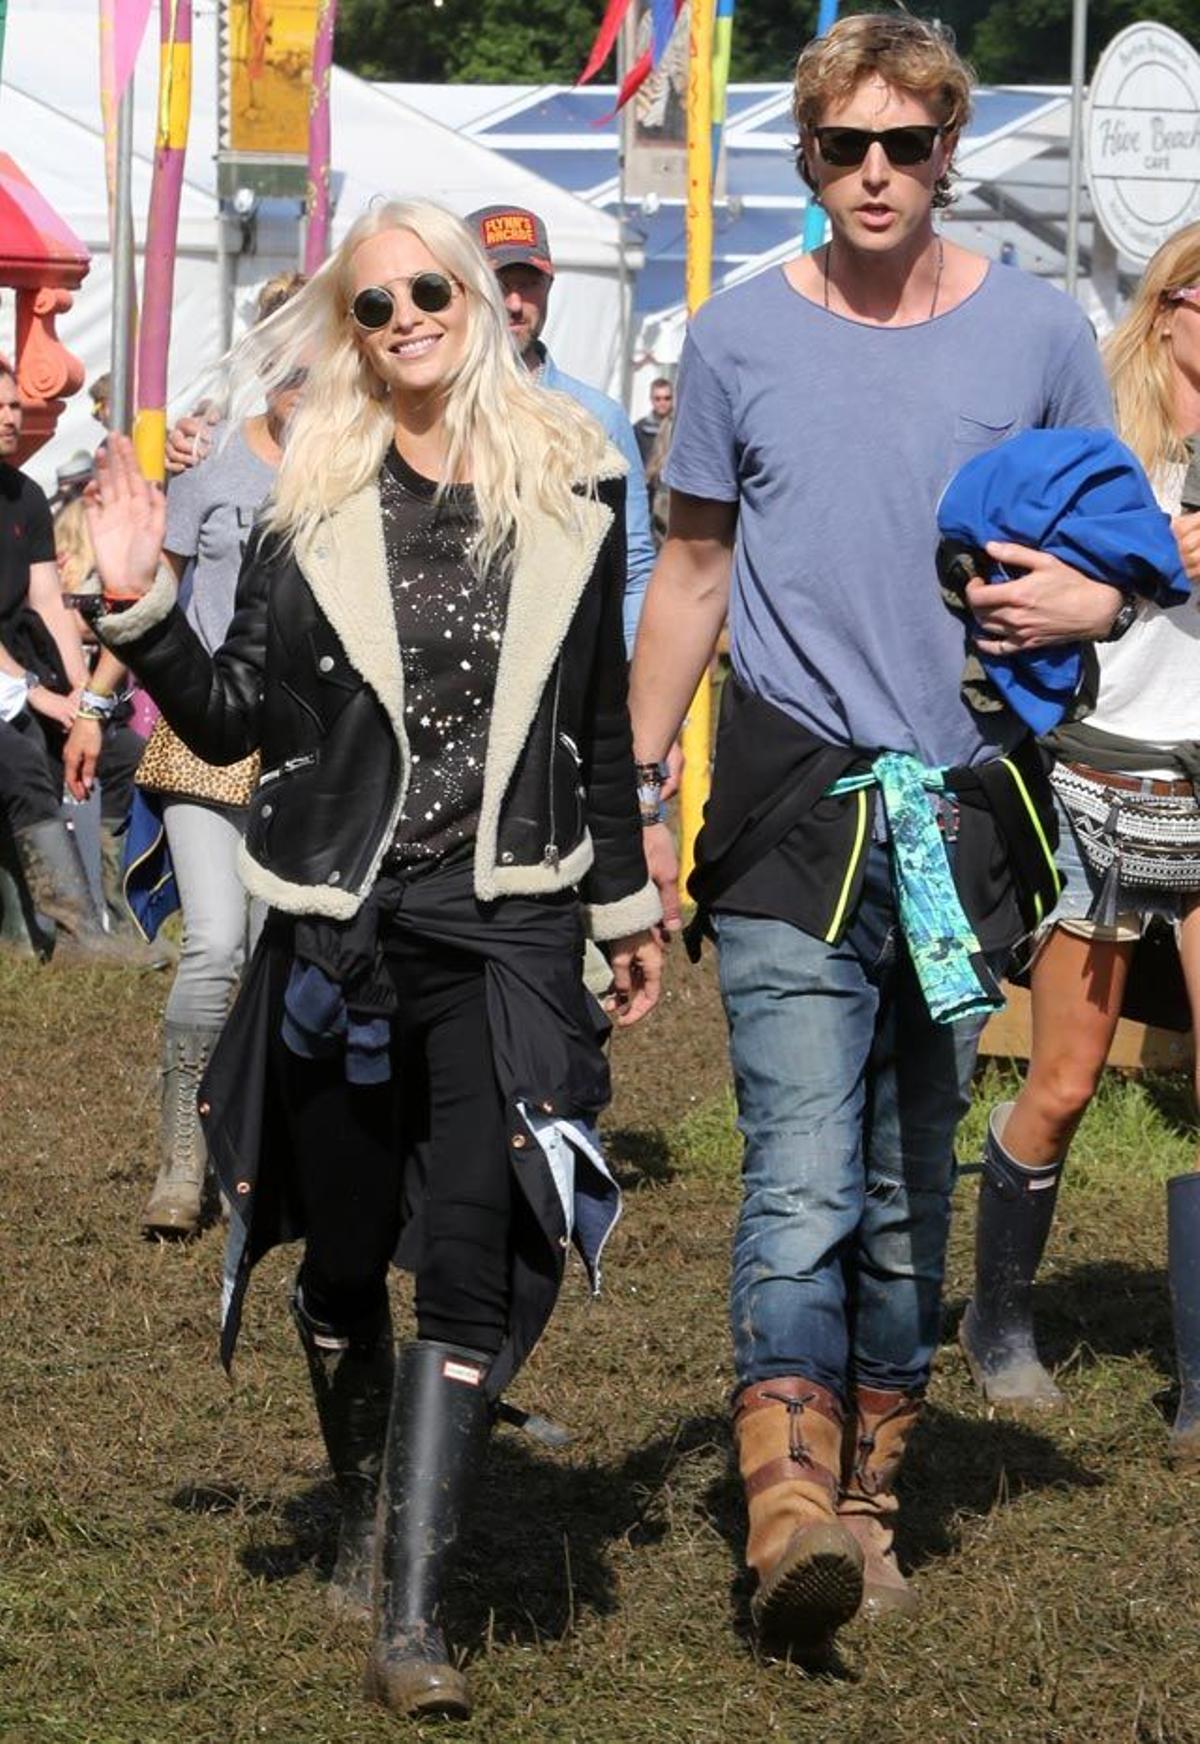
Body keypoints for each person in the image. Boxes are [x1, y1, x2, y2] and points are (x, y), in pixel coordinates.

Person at [84, 199, 662, 1720]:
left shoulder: (578, 486)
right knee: (342, 1257)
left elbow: (596, 725)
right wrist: (138, 607)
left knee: (473, 1246)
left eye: (428, 290)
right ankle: (358, 1511)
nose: (405, 318)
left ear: (477, 296)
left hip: (511, 922)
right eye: (372, 304)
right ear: (347, 331)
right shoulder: (305, 505)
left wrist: (625, 907)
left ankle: (413, 1613)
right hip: (342, 927)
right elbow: (229, 724)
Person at [627, 11, 1121, 1659]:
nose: (880, 174)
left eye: (909, 145)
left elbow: (1114, 539)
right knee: (804, 1171)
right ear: (810, 157)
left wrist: (1098, 593)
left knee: (907, 1195)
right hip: (783, 812)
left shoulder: (1040, 334)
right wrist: (639, 791)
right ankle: (785, 1512)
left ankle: (871, 1511)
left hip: (963, 828)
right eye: (849, 146)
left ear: (949, 151)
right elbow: (692, 570)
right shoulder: (738, 336)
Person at [959, 225, 1200, 1446]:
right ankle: (997, 1318)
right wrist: (1153, 564)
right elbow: (998, 600)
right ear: (1165, 312)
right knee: (1060, 1081)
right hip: (1102, 775)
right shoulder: (1095, 455)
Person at [65, 272, 307, 1241]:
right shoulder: (210, 472)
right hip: (208, 748)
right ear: (264, 360)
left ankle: (264, 1152)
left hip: (309, 762)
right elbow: (147, 599)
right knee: (217, 945)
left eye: (318, 358)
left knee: (279, 962)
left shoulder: (362, 468)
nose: (303, 377)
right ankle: (182, 1158)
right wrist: (91, 702)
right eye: (285, 360)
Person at [0, 362, 156, 964]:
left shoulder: (26, 495)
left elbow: (46, 601)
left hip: (26, 672)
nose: (13, 416)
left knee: (119, 754)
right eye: (2, 406)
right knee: (18, 760)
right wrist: (41, 697)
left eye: (17, 405)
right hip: (10, 685)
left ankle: (108, 910)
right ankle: (71, 934)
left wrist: (83, 700)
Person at [466, 205, 656, 656]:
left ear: (549, 286)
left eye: (528, 284)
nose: (514, 304)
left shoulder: (597, 417)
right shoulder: (428, 412)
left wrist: (628, 675)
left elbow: (632, 565)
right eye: (498, 284)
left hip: (564, 681)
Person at [634, 376, 673, 469]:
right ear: (651, 399)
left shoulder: (681, 428)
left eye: (667, 398)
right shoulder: (639, 429)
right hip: (648, 480)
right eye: (658, 399)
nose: (662, 402)